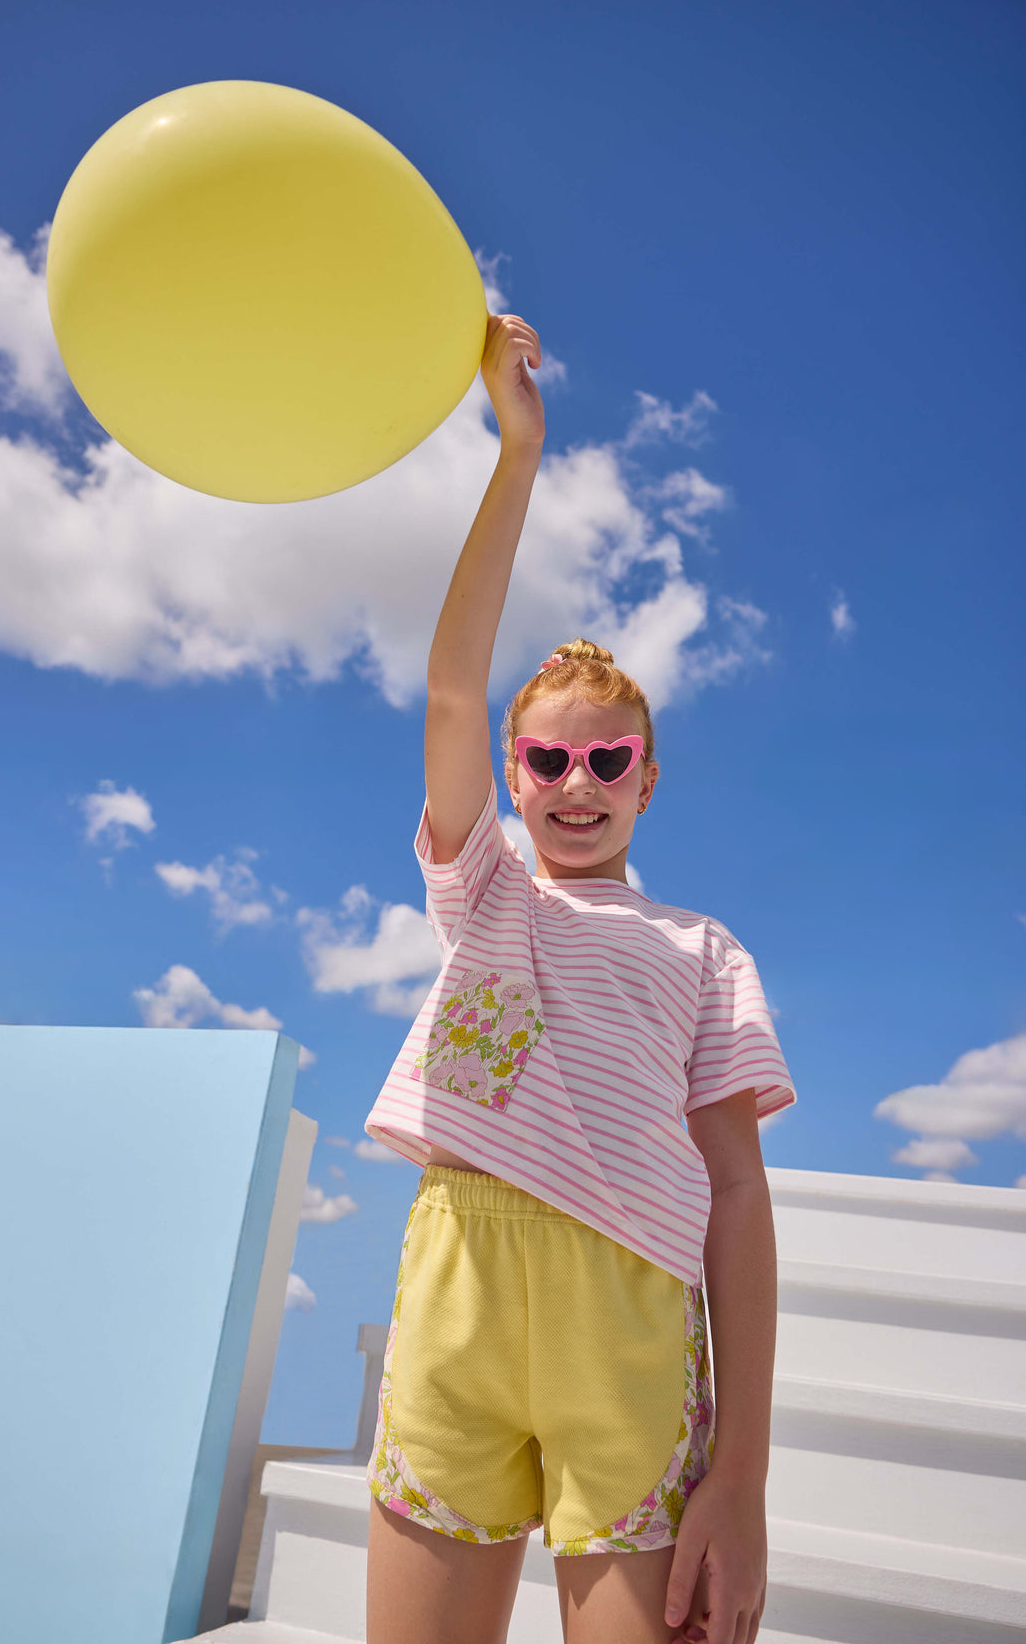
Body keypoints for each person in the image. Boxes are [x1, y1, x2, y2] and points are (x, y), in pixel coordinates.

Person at [361, 313, 796, 1644]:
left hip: (632, 1325)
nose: (577, 785)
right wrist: (519, 447)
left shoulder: (705, 951)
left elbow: (734, 1189)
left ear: (647, 780)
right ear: (511, 779)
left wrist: (746, 1473)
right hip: (460, 1295)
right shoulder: (482, 888)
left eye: (609, 762)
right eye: (548, 762)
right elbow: (447, 691)